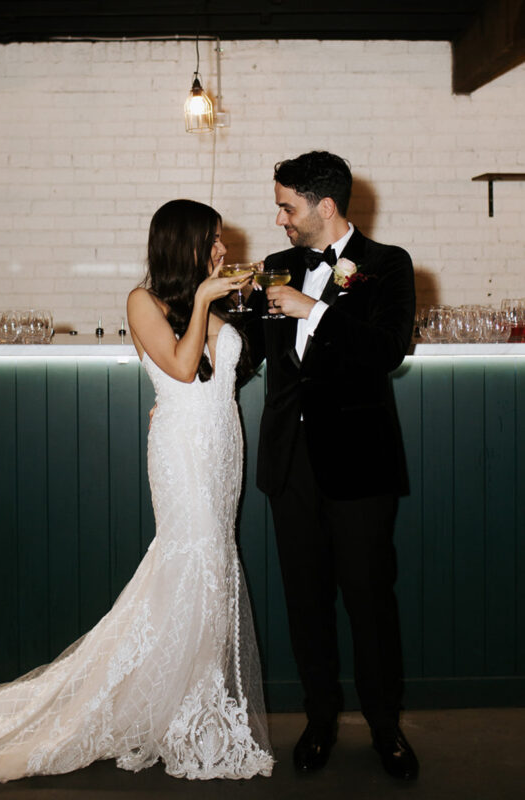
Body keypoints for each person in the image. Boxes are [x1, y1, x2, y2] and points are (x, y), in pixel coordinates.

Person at [0, 199, 273, 789]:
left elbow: (231, 365)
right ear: (179, 242)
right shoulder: (144, 301)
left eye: (221, 241)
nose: (222, 250)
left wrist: (242, 301)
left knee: (214, 563)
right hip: (182, 452)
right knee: (190, 563)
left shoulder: (205, 301)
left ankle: (191, 708)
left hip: (221, 448)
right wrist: (211, 298)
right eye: (212, 240)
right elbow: (183, 371)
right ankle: (171, 709)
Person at [248, 151, 418, 780]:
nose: (279, 218)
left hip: (359, 468)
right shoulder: (272, 269)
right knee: (305, 601)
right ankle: (319, 720)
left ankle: (385, 727)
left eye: (286, 206)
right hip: (289, 467)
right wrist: (188, 382)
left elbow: (386, 351)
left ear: (324, 207)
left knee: (370, 601)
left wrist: (313, 310)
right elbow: (247, 356)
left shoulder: (388, 265)